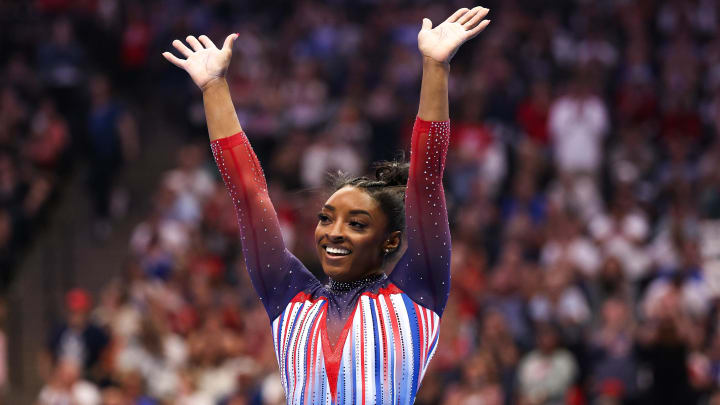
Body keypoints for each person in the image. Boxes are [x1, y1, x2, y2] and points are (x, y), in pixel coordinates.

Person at [163, 6, 491, 404]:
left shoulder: (417, 290)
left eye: (356, 223)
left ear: (390, 241)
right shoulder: (290, 299)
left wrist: (434, 68)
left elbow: (425, 182)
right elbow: (249, 196)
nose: (333, 232)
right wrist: (214, 87)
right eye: (326, 219)